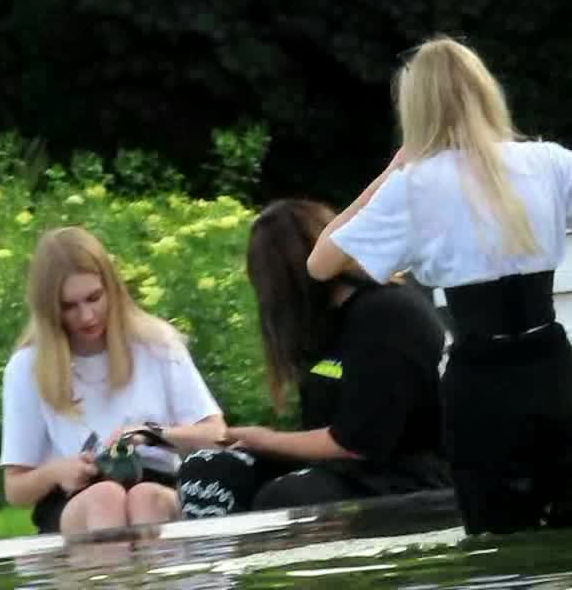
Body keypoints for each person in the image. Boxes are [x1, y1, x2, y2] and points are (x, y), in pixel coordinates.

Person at [305, 35, 572, 536]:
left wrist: (390, 172)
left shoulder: (412, 186)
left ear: (416, 107)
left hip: (480, 389)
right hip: (555, 376)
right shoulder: (547, 161)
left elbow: (320, 263)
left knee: (498, 554)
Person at [176, 199, 452, 519]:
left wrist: (267, 440)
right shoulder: (323, 325)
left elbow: (357, 442)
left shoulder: (385, 314)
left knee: (284, 498)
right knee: (208, 471)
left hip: (408, 471)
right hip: (343, 469)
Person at [0, 226, 228, 535]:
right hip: (74, 498)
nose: (87, 316)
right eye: (69, 307)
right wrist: (57, 472)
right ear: (50, 310)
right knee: (105, 499)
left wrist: (150, 434)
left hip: (154, 483)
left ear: (111, 288)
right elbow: (16, 489)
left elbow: (216, 435)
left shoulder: (156, 343)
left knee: (144, 499)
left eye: (94, 298)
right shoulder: (28, 366)